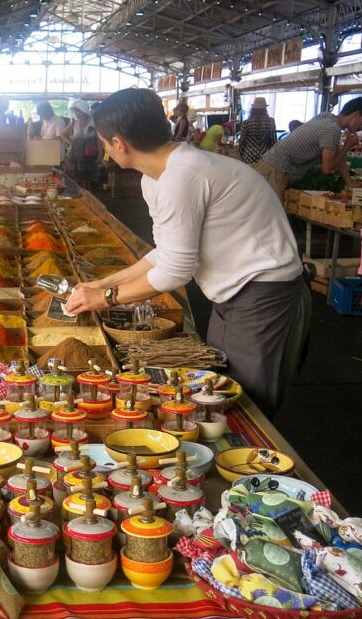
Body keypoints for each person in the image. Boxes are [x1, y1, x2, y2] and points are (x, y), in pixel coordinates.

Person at [64, 88, 309, 417]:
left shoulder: (183, 175)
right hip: (233, 291)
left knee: (245, 399)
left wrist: (106, 297)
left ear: (119, 143)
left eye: (105, 143)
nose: (106, 151)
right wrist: (99, 285)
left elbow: (174, 271)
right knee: (218, 382)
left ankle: (251, 464)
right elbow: (163, 254)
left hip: (261, 291)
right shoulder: (158, 176)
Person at [255, 97, 362, 199]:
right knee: (268, 219)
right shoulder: (333, 129)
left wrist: (349, 182)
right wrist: (347, 146)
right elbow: (327, 169)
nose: (361, 126)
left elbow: (338, 157)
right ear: (356, 114)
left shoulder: (326, 117)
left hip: (269, 166)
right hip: (276, 171)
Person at [61, 99, 100, 188]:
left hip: (89, 152)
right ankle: (77, 192)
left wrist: (100, 154)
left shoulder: (93, 122)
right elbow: (62, 133)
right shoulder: (74, 122)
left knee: (87, 176)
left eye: (77, 111)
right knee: (75, 174)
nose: (76, 113)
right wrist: (71, 143)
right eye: (75, 111)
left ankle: (88, 194)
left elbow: (99, 139)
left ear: (83, 111)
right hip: (76, 152)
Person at [237, 97, 277, 165]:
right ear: (265, 109)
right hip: (265, 157)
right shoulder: (271, 121)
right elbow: (273, 141)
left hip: (249, 156)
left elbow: (242, 142)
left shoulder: (246, 123)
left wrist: (241, 155)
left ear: (253, 109)